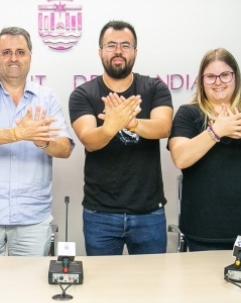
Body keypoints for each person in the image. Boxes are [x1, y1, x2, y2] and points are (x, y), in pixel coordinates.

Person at [0, 27, 73, 256]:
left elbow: (65, 148)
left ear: (29, 56)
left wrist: (42, 142)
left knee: (31, 290)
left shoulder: (46, 97)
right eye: (6, 52)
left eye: (20, 52)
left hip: (33, 219)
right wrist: (19, 134)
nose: (13, 58)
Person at [68, 20, 173, 255]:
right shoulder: (83, 94)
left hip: (149, 212)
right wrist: (110, 127)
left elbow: (163, 127)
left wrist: (131, 122)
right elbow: (89, 140)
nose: (118, 51)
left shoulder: (154, 88)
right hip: (100, 214)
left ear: (135, 51)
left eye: (125, 45)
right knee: (102, 289)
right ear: (100, 52)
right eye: (111, 45)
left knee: (150, 287)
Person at [168, 48, 241, 253]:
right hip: (204, 233)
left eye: (225, 75)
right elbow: (180, 158)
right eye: (210, 77)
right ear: (201, 81)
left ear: (235, 76)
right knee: (205, 285)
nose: (218, 82)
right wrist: (217, 131)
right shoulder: (188, 114)